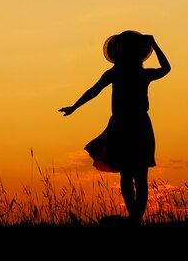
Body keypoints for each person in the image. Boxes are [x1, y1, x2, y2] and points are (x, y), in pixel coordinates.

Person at [59, 30, 171, 225]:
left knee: (134, 174)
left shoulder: (134, 73)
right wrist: (74, 107)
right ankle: (135, 218)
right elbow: (94, 91)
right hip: (124, 125)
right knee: (132, 174)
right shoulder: (121, 73)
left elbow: (166, 69)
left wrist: (74, 107)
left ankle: (135, 218)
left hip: (135, 125)